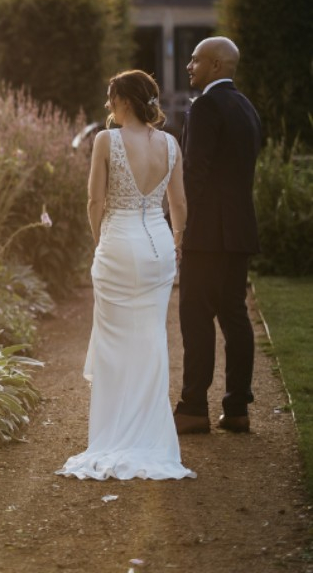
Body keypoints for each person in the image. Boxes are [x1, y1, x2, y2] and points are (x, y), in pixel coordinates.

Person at [57, 70, 194, 481]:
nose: (108, 106)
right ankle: (151, 435)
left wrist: (100, 241)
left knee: (114, 344)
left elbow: (94, 200)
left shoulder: (107, 140)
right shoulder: (170, 144)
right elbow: (179, 204)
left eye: (111, 98)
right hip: (159, 246)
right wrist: (177, 243)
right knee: (151, 338)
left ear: (125, 101)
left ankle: (115, 434)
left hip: (118, 243)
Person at [173, 36, 261, 436]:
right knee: (235, 315)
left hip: (207, 233)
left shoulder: (205, 106)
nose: (189, 66)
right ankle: (238, 408)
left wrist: (179, 225)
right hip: (239, 230)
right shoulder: (246, 107)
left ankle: (193, 408)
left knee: (196, 317)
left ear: (216, 65)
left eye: (196, 60)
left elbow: (194, 172)